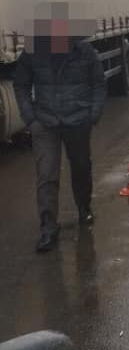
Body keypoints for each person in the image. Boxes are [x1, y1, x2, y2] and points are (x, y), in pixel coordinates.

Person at [14, 34, 106, 252]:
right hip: (45, 122)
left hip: (77, 120)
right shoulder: (33, 52)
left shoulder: (84, 51)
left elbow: (99, 84)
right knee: (46, 174)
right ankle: (48, 228)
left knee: (81, 167)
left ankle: (84, 208)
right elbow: (21, 86)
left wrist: (92, 115)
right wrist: (31, 119)